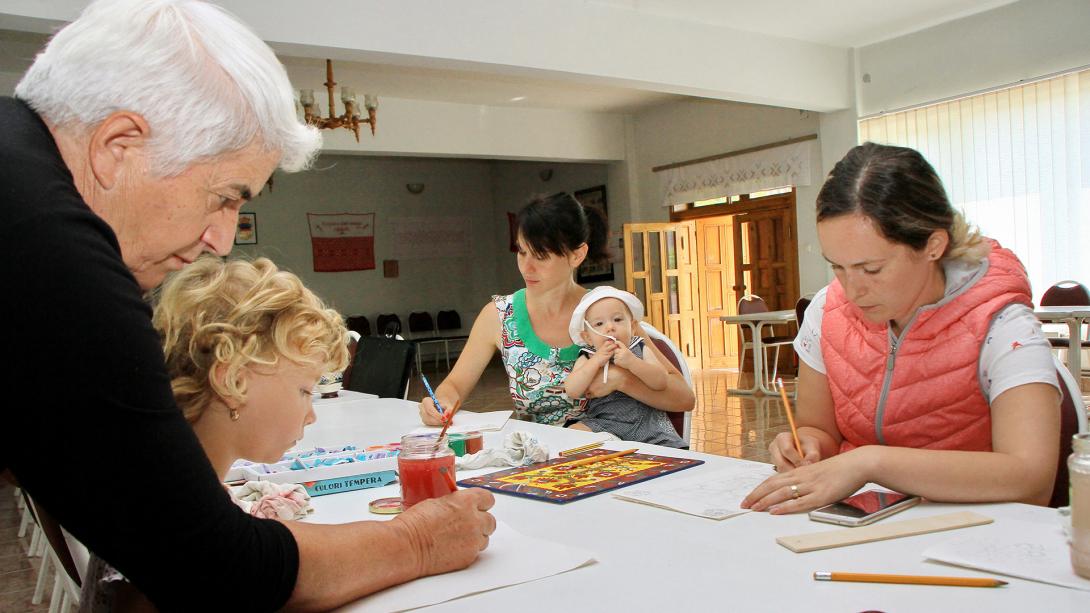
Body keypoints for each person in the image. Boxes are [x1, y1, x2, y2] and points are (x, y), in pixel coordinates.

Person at [1, 1, 494, 610]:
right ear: (117, 147)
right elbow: (211, 568)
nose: (222, 240)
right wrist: (417, 541)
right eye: (226, 196)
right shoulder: (48, 245)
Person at [742, 142, 1061, 515]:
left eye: (871, 269)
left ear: (933, 245)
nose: (851, 289)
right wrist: (805, 445)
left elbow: (1031, 478)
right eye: (837, 267)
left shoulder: (1002, 324)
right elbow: (819, 430)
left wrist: (869, 462)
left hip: (975, 528)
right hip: (865, 521)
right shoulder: (828, 311)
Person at [417, 192, 695, 427]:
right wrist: (440, 403)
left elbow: (684, 398)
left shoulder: (606, 312)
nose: (527, 267)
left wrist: (622, 380)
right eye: (522, 252)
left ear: (577, 255)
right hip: (547, 465)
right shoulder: (499, 316)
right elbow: (454, 386)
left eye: (541, 257)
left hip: (615, 454)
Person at [563, 286, 687, 448]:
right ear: (588, 337)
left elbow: (661, 381)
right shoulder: (587, 355)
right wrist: (596, 361)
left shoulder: (641, 347)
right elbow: (572, 390)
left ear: (633, 327)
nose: (610, 327)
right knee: (575, 432)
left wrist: (633, 363)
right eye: (599, 323)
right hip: (605, 424)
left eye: (618, 320)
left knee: (670, 450)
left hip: (648, 424)